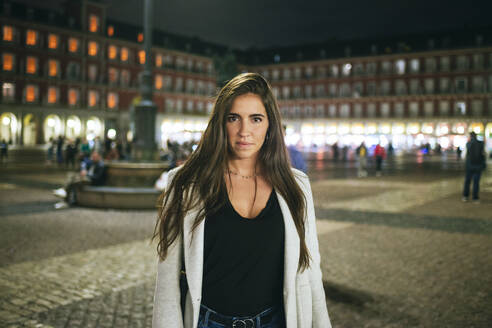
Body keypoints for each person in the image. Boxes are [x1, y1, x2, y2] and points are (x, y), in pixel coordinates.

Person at [152, 73, 331, 328]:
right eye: (233, 118)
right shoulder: (185, 183)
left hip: (277, 321)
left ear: (270, 125)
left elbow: (311, 272)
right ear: (220, 123)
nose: (244, 131)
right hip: (208, 322)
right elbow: (167, 284)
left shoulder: (296, 186)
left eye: (256, 119)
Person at [462, 132, 486, 203]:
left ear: (470, 137)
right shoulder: (481, 144)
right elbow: (485, 154)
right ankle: (475, 198)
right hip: (478, 166)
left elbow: (463, 155)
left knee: (467, 181)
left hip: (469, 166)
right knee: (476, 182)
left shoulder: (468, 144)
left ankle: (465, 196)